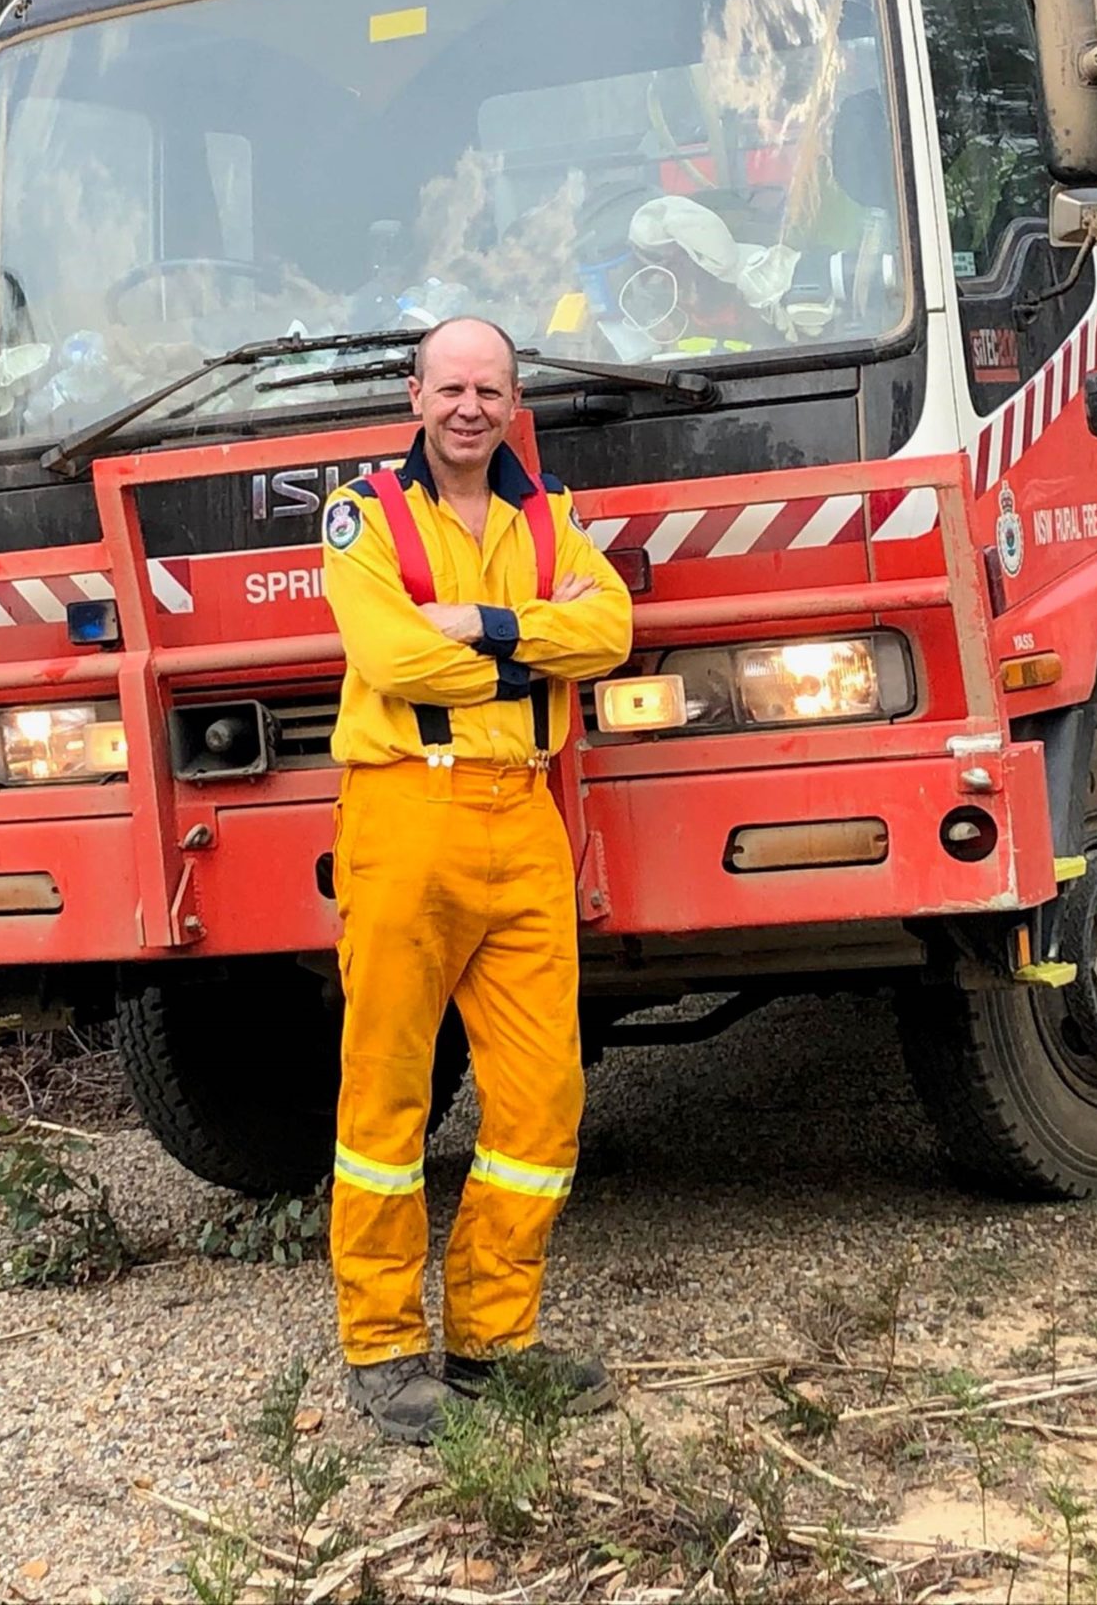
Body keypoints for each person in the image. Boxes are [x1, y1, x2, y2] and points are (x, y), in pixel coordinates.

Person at [317, 314, 635, 1445]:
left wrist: (486, 624)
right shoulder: (363, 515)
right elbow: (391, 656)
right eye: (449, 388)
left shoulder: (547, 518)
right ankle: (382, 1349)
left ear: (512, 404)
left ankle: (495, 1342)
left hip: (526, 816)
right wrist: (533, 647)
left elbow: (612, 632)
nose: (468, 408)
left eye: (488, 390)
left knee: (543, 1098)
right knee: (387, 1095)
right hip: (406, 813)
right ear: (415, 396)